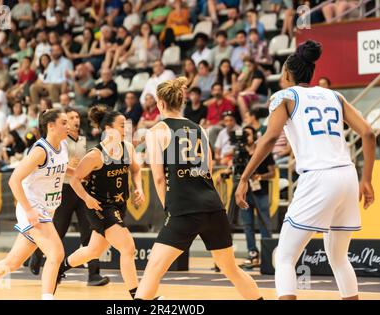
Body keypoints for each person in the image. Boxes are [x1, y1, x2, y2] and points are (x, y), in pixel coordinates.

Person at [235, 40, 376, 300]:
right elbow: (368, 133)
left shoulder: (284, 96)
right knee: (339, 258)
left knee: (286, 257)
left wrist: (244, 177)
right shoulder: (334, 95)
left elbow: (268, 138)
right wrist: (366, 179)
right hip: (347, 176)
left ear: (287, 75)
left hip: (319, 177)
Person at [134, 77, 262, 300]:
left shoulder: (157, 131)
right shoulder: (200, 130)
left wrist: (169, 208)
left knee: (153, 271)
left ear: (160, 103)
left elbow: (158, 178)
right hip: (212, 206)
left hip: (184, 208)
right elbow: (208, 170)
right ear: (181, 101)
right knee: (231, 269)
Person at [0, 108, 71, 300]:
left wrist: (83, 173)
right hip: (33, 208)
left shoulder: (63, 145)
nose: (68, 126)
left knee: (13, 261)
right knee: (56, 253)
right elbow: (14, 180)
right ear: (51, 126)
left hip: (47, 209)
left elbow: (65, 169)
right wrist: (29, 210)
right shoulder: (40, 151)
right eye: (64, 122)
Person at [56, 106, 145, 299]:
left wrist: (139, 187)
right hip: (100, 207)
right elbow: (74, 179)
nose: (126, 129)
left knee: (93, 250)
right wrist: (87, 198)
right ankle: (137, 295)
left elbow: (136, 170)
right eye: (122, 125)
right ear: (108, 128)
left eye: (127, 125)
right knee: (128, 248)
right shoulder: (95, 155)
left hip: (120, 205)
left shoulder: (128, 148)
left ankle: (59, 268)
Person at [28, 107, 109, 286]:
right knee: (58, 230)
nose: (75, 120)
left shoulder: (84, 141)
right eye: (70, 118)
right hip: (62, 190)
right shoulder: (59, 141)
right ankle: (39, 253)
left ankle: (94, 275)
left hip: (80, 189)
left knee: (88, 232)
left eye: (77, 117)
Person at [230, 126, 274, 268]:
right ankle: (252, 254)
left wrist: (260, 176)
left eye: (248, 134)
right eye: (244, 134)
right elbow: (234, 168)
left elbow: (272, 172)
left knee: (264, 223)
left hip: (260, 191)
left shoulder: (263, 150)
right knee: (247, 224)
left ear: (254, 136)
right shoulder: (239, 153)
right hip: (245, 193)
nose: (245, 137)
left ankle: (268, 255)